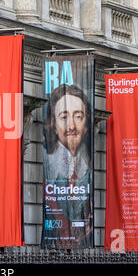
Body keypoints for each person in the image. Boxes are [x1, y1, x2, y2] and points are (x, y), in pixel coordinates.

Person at [42, 84, 92, 248]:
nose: (71, 126)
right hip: (55, 247)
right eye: (64, 117)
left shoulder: (89, 167)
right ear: (53, 125)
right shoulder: (48, 167)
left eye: (78, 117)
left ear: (86, 125)